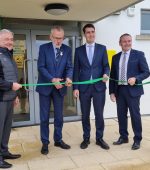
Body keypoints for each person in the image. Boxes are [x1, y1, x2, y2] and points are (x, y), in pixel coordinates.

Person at [36, 26, 73, 155]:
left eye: (61, 38)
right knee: (44, 117)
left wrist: (68, 77)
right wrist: (52, 79)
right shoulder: (43, 48)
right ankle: (45, 142)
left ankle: (58, 139)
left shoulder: (67, 50)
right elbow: (41, 67)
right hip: (45, 87)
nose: (59, 41)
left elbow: (69, 67)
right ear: (50, 37)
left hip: (60, 89)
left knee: (59, 117)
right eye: (56, 38)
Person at [109, 33, 150, 150]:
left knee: (135, 115)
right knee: (121, 115)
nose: (127, 43)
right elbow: (112, 76)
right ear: (120, 43)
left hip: (133, 90)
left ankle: (137, 139)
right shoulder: (115, 57)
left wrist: (136, 78)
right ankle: (123, 137)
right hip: (119, 90)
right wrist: (112, 92)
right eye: (124, 41)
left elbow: (146, 72)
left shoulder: (139, 55)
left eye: (129, 41)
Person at [73, 24, 110, 150]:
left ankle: (99, 138)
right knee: (85, 115)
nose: (91, 34)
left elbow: (106, 65)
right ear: (84, 34)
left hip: (99, 87)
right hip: (84, 88)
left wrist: (106, 74)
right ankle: (86, 138)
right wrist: (75, 87)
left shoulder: (102, 48)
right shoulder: (78, 50)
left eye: (92, 32)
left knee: (99, 114)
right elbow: (76, 70)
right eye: (88, 32)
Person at [0, 29, 22, 168]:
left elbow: (12, 76)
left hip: (9, 98)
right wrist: (11, 86)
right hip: (1, 99)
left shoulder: (9, 55)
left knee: (6, 128)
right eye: (6, 39)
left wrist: (16, 95)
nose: (9, 41)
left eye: (11, 39)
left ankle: (4, 151)